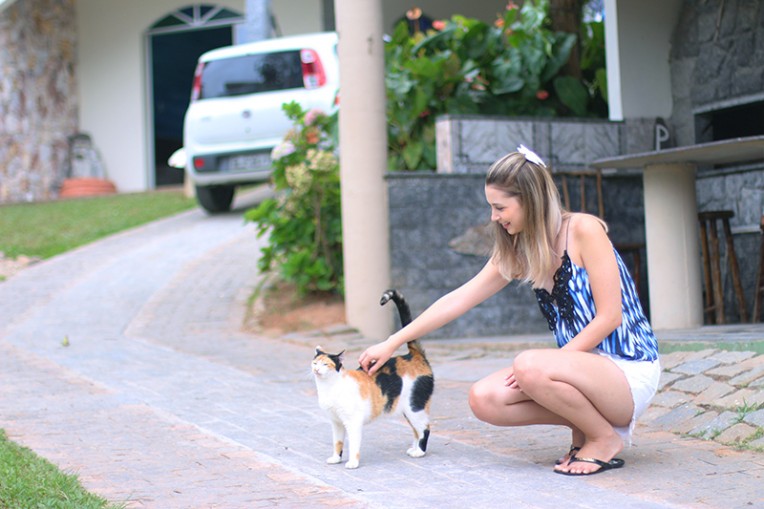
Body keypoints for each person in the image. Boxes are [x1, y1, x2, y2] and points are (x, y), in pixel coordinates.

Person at [358, 146, 661, 476]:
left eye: (500, 207)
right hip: (579, 370)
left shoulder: (584, 230)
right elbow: (458, 299)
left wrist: (548, 365)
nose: (494, 217)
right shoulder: (518, 249)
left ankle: (603, 439)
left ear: (530, 200)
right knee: (484, 398)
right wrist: (391, 343)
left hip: (628, 370)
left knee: (529, 365)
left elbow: (610, 317)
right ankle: (588, 429)